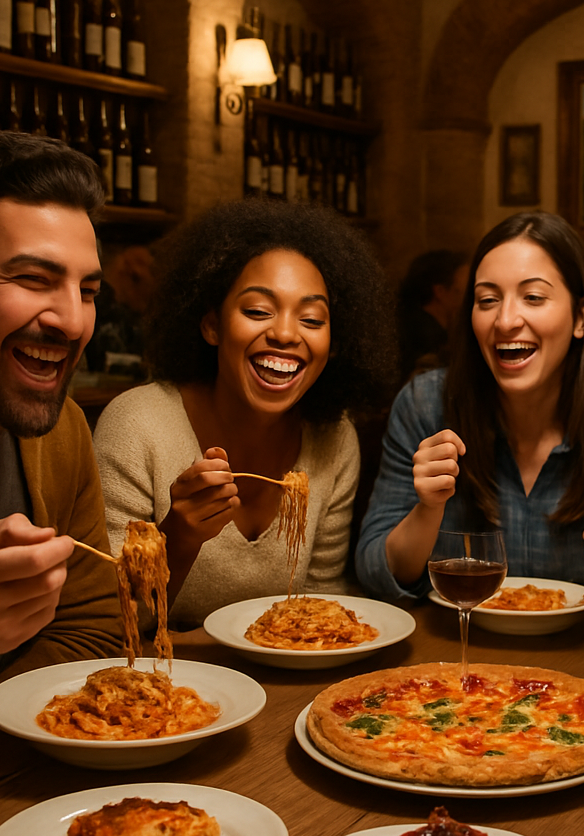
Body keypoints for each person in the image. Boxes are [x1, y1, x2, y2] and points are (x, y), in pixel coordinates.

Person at [94, 200, 395, 627]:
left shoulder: (333, 438)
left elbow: (324, 608)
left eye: (311, 319)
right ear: (212, 325)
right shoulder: (137, 427)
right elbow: (109, 625)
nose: (286, 333)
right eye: (257, 311)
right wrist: (177, 539)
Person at [356, 210, 584, 600]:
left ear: (581, 317)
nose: (505, 320)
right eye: (487, 299)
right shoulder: (426, 405)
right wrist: (428, 508)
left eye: (533, 297)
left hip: (580, 653)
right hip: (450, 649)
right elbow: (374, 570)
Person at [0, 131, 121, 716]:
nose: (72, 321)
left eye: (88, 290)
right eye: (33, 279)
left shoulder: (61, 429)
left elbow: (94, 630)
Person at [397, 249, 469, 379]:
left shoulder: (426, 327)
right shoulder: (426, 339)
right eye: (466, 282)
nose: (471, 289)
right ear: (440, 291)